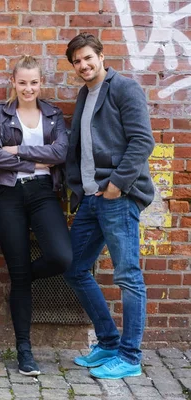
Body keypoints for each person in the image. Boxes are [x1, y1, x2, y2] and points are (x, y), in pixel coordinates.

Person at [63, 33, 155, 379]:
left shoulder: (123, 88)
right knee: (74, 269)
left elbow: (142, 140)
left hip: (117, 197)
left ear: (101, 56)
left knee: (128, 276)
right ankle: (108, 342)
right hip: (90, 199)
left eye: (88, 58)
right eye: (77, 61)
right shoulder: (84, 94)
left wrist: (117, 185)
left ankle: (130, 357)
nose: (83, 65)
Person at [0, 55, 72, 376]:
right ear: (13, 82)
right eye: (22, 82)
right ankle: (25, 350)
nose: (28, 88)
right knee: (19, 274)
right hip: (9, 196)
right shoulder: (0, 113)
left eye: (34, 82)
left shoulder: (52, 114)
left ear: (40, 83)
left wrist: (18, 151)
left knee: (62, 257)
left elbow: (60, 153)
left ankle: (23, 277)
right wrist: (34, 162)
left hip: (43, 195)